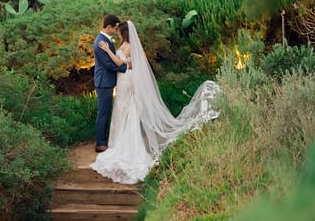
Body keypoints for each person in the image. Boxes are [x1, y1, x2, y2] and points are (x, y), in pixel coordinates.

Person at [91, 21, 221, 184]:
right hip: (124, 79)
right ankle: (118, 141)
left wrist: (109, 52)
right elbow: (129, 62)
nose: (117, 33)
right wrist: (125, 61)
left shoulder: (129, 46)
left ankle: (124, 143)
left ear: (123, 33)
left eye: (119, 31)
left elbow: (119, 63)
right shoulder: (125, 44)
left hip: (126, 80)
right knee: (123, 109)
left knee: (125, 109)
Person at [93, 14, 128, 153]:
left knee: (105, 111)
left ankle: (104, 140)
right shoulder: (100, 42)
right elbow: (108, 64)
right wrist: (125, 67)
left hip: (107, 81)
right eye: (115, 28)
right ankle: (100, 143)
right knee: (103, 113)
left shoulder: (105, 39)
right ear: (109, 27)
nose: (116, 31)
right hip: (104, 82)